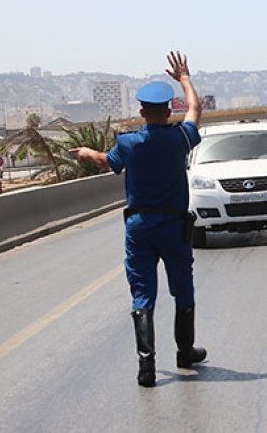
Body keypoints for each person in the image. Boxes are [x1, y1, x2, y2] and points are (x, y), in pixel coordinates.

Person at [72, 51, 206, 388]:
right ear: (169, 111)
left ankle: (147, 366)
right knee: (183, 288)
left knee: (143, 294)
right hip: (174, 226)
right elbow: (196, 108)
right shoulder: (180, 138)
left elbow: (107, 161)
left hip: (140, 227)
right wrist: (185, 79)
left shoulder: (129, 143)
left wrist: (88, 153)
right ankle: (185, 352)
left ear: (143, 112)